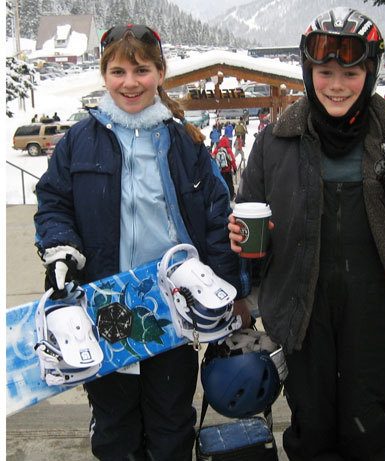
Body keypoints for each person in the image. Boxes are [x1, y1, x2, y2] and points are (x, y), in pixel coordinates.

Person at [228, 8, 385, 461]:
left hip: (375, 316)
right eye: (324, 71)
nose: (335, 84)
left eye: (350, 72)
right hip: (301, 314)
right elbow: (248, 214)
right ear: (308, 72)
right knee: (310, 428)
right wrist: (242, 239)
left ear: (368, 74)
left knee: (368, 430)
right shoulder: (276, 142)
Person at [34, 24, 250, 461]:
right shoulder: (79, 141)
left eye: (141, 70)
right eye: (118, 71)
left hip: (172, 307)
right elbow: (53, 202)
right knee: (115, 426)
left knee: (171, 421)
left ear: (160, 72)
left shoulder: (184, 143)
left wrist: (232, 297)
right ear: (104, 74)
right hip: (104, 306)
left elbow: (215, 219)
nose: (130, 82)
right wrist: (60, 248)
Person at [212, 135, 237, 200]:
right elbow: (232, 160)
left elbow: (212, 157)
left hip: (219, 171)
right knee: (229, 183)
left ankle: (221, 196)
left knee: (221, 183)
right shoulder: (228, 150)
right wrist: (234, 168)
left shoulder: (217, 149)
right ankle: (231, 196)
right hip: (227, 170)